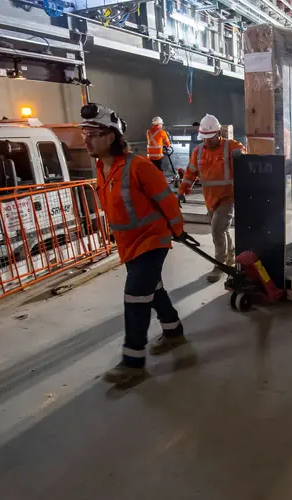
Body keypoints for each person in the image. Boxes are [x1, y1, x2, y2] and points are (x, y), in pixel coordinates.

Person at [80, 103, 187, 384]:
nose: (86, 139)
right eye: (85, 133)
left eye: (93, 133)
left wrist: (176, 230)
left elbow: (167, 201)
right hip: (128, 244)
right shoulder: (102, 169)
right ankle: (174, 331)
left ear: (112, 136)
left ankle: (133, 362)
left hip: (152, 240)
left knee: (135, 297)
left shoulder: (139, 167)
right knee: (153, 289)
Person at [177, 114, 245, 283]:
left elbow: (244, 153)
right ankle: (230, 254)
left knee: (216, 230)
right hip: (210, 198)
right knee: (221, 229)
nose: (206, 141)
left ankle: (219, 265)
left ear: (218, 133)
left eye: (210, 137)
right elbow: (190, 172)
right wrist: (182, 190)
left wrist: (241, 155)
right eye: (204, 137)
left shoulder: (230, 147)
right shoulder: (198, 151)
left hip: (227, 197)